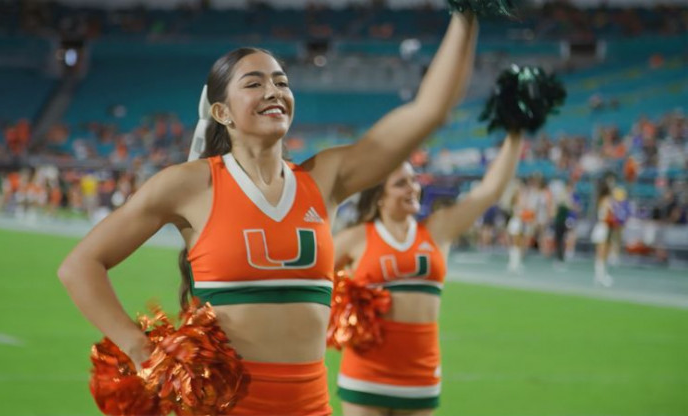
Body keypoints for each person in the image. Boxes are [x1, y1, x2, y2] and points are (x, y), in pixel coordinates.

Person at [58, 11, 478, 416]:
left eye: (281, 82)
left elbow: (429, 111)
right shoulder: (190, 184)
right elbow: (80, 266)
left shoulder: (325, 178)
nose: (274, 91)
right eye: (254, 83)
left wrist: (465, 14)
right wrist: (140, 349)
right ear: (222, 112)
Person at [333, 130, 523, 416]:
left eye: (414, 180)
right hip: (366, 372)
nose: (412, 188)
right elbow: (308, 277)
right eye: (401, 183)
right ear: (379, 196)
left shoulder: (438, 230)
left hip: (420, 373)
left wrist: (516, 134)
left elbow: (490, 191)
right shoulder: (356, 237)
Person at [591, 180, 615, 287]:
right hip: (603, 227)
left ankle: (600, 275)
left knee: (602, 254)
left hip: (604, 227)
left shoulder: (602, 199)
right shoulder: (606, 200)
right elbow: (607, 215)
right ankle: (599, 276)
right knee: (601, 254)